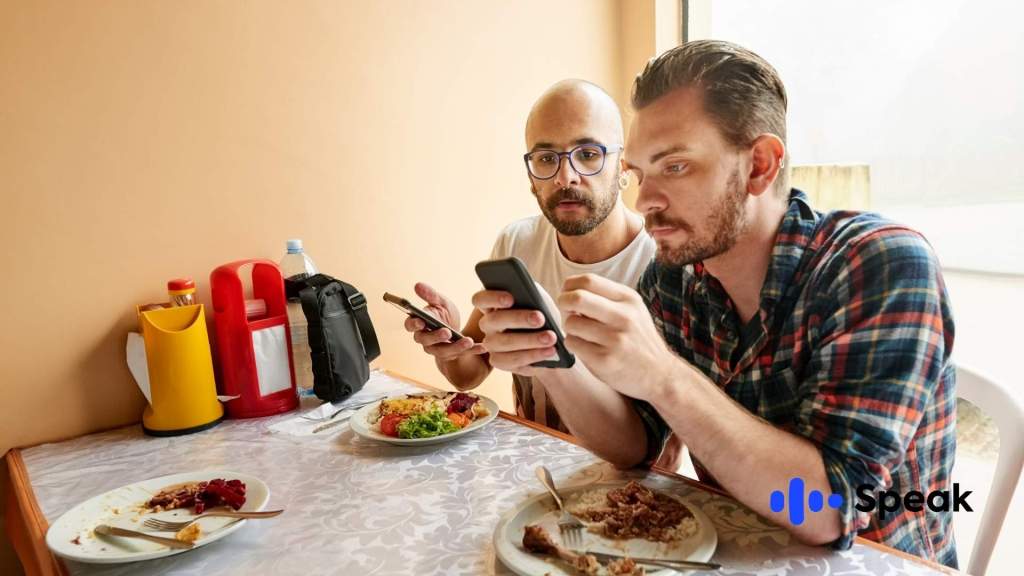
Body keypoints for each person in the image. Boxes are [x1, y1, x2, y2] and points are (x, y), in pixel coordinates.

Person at [473, 41, 958, 568]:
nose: (644, 201)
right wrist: (551, 358)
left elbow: (827, 511)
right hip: (727, 550)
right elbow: (635, 446)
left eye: (675, 166)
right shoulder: (674, 278)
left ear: (760, 166)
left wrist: (663, 375)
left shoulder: (878, 266)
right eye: (639, 173)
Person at [404, 79, 656, 434]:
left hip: (629, 482)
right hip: (533, 467)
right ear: (530, 175)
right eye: (546, 158)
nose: (566, 177)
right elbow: (468, 374)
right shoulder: (517, 243)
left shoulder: (662, 265)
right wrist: (448, 343)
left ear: (624, 165)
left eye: (587, 154)